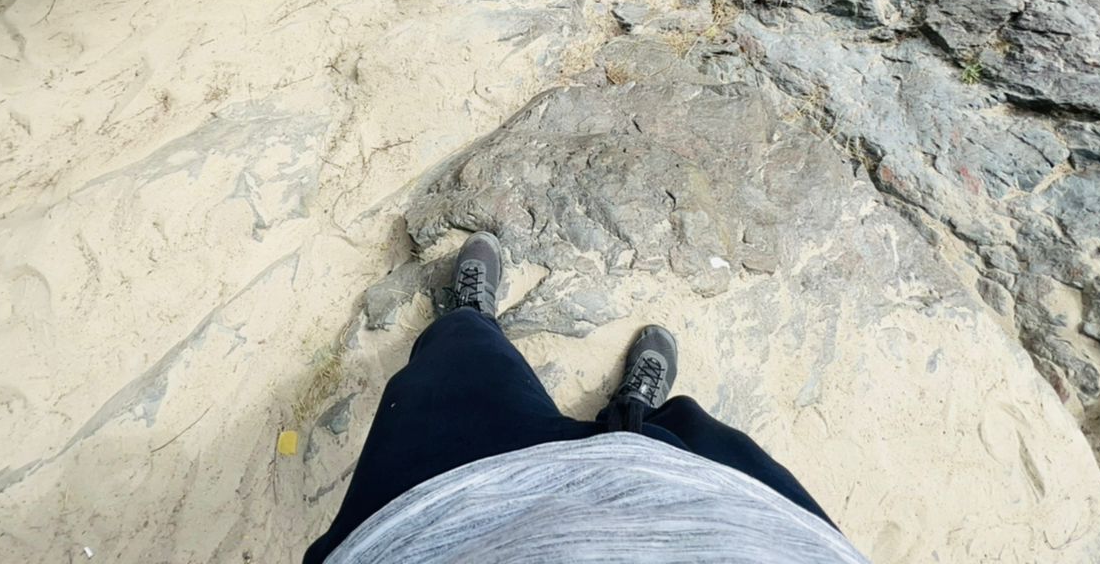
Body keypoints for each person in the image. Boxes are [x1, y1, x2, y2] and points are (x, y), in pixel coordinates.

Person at [303, 232, 870, 564]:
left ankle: (470, 322)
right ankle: (633, 417)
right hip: (753, 532)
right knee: (682, 440)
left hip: (448, 522)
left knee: (453, 378)